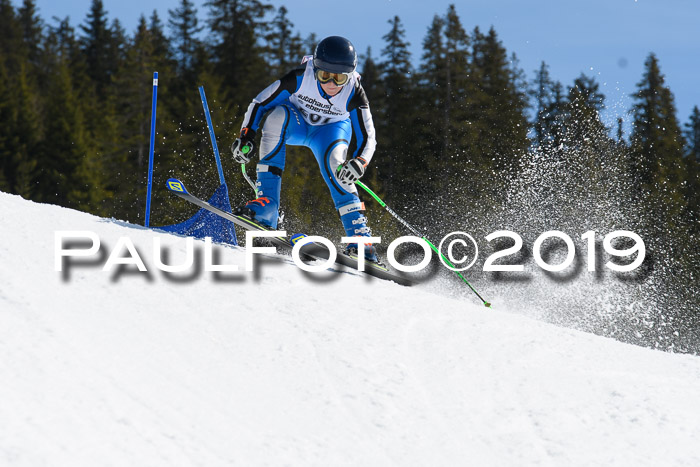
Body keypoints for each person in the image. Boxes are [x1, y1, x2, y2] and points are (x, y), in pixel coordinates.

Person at [231, 36, 380, 263]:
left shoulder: (354, 92)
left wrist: (359, 162)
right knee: (276, 116)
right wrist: (246, 136)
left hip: (331, 131)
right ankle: (267, 207)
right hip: (297, 123)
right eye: (324, 75)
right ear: (315, 69)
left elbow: (368, 137)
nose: (331, 83)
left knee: (337, 165)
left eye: (339, 78)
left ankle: (360, 239)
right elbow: (260, 103)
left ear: (349, 75)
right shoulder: (300, 77)